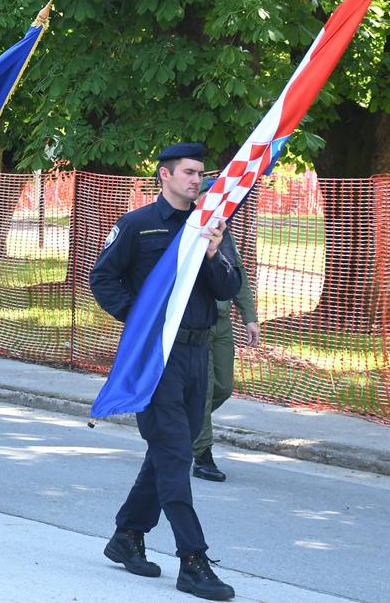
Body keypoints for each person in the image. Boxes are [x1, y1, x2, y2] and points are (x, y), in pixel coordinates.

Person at [90, 142, 240, 601]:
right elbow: (102, 279)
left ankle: (128, 533)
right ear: (165, 175)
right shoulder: (137, 225)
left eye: (201, 173)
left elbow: (229, 287)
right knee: (175, 455)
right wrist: (140, 320)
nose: (198, 180)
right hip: (158, 357)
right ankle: (192, 560)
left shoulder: (210, 225)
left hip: (198, 354)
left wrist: (214, 253)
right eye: (189, 172)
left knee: (168, 452)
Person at [191, 200, 260, 482]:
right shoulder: (187, 230)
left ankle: (181, 422)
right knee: (204, 392)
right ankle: (202, 456)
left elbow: (236, 274)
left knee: (223, 387)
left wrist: (249, 317)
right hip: (197, 323)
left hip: (222, 324)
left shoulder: (222, 232)